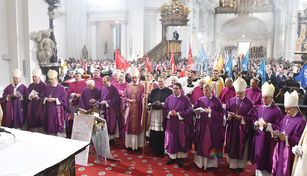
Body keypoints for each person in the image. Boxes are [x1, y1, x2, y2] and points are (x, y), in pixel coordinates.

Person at [271, 91, 306, 176]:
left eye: (288, 109)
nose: (286, 111)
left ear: (295, 108)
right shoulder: (286, 117)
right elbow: (279, 128)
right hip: (281, 147)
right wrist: (275, 134)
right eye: (285, 108)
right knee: (279, 168)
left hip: (290, 153)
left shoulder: (301, 122)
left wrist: (286, 138)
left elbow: (300, 141)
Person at [252, 82, 283, 176]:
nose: (264, 99)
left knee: (266, 160)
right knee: (258, 158)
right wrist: (255, 123)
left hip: (269, 140)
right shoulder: (260, 108)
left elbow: (279, 126)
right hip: (259, 137)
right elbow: (254, 118)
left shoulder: (277, 110)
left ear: (271, 98)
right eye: (263, 97)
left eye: (266, 97)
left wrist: (268, 125)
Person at [225, 77, 255, 172]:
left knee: (241, 146)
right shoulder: (232, 100)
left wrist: (242, 118)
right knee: (232, 145)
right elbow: (226, 111)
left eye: (240, 93)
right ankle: (232, 164)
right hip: (233, 127)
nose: (238, 95)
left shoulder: (249, 103)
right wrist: (229, 116)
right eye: (237, 93)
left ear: (245, 92)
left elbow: (252, 117)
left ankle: (240, 166)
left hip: (243, 130)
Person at [163, 83, 193, 167]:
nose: (174, 90)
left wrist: (178, 114)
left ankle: (179, 158)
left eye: (176, 88)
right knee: (171, 140)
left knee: (180, 139)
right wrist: (169, 112)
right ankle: (172, 158)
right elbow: (165, 108)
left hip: (180, 123)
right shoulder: (169, 98)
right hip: (171, 123)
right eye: (173, 88)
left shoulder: (185, 99)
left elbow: (189, 110)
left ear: (180, 89)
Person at [194, 84, 224, 170]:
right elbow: (195, 110)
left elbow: (221, 115)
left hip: (212, 128)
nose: (204, 92)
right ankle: (200, 163)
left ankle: (210, 164)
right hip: (202, 126)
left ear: (211, 90)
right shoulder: (200, 100)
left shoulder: (217, 101)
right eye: (203, 90)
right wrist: (197, 113)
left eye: (206, 90)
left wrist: (211, 112)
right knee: (201, 143)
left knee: (210, 143)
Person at [148, 77, 172, 157]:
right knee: (154, 130)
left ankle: (161, 149)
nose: (160, 83)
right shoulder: (154, 91)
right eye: (159, 81)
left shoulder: (169, 91)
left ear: (165, 82)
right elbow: (150, 100)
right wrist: (149, 104)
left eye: (161, 81)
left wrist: (161, 104)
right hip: (154, 112)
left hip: (162, 113)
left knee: (161, 131)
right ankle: (154, 148)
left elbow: (170, 102)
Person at [42, 70, 70, 135]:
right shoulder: (47, 87)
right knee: (49, 123)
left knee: (56, 124)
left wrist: (55, 99)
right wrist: (46, 99)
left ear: (56, 79)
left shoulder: (61, 88)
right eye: (50, 79)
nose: (51, 81)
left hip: (57, 109)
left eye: (52, 79)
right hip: (48, 109)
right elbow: (42, 96)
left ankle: (57, 132)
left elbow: (64, 99)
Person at [124, 67, 145, 151]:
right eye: (132, 77)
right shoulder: (128, 86)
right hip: (130, 109)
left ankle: (137, 146)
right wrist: (129, 100)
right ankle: (129, 145)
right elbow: (124, 97)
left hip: (138, 109)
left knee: (137, 126)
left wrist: (144, 98)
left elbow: (143, 96)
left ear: (138, 78)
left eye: (135, 77)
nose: (133, 79)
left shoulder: (142, 86)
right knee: (129, 126)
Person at [100, 76, 124, 140]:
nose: (103, 83)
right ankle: (106, 138)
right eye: (103, 82)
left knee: (111, 124)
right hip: (104, 108)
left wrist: (107, 102)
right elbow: (102, 97)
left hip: (111, 109)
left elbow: (116, 99)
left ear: (109, 81)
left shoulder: (113, 88)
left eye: (105, 82)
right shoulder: (103, 87)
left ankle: (111, 139)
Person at [66, 71, 87, 137]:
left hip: (82, 103)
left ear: (80, 77)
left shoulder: (84, 84)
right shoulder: (71, 84)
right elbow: (68, 93)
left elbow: (86, 93)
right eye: (75, 76)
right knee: (73, 117)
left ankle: (81, 132)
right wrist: (75, 94)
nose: (77, 78)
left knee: (81, 117)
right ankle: (72, 132)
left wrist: (81, 95)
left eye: (78, 76)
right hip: (73, 103)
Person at [26, 68, 47, 133]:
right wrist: (30, 95)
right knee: (32, 120)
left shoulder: (44, 85)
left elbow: (45, 94)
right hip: (32, 106)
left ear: (39, 77)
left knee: (39, 119)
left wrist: (38, 96)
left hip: (39, 106)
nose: (34, 78)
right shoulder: (31, 85)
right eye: (33, 77)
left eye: (35, 77)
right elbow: (27, 93)